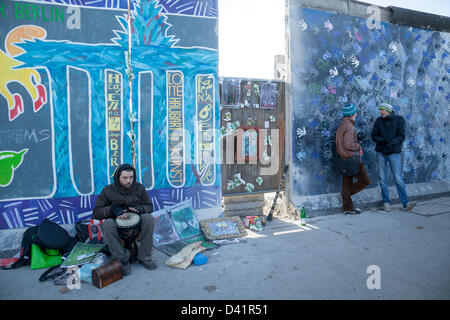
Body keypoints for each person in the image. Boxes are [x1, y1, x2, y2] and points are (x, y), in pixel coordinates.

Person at [93, 163, 157, 275]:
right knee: (107, 224)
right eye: (125, 178)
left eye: (131, 177)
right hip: (117, 226)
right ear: (118, 177)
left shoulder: (139, 188)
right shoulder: (108, 190)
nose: (129, 181)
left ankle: (145, 257)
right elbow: (96, 212)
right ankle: (122, 259)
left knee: (148, 218)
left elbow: (149, 206)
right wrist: (111, 209)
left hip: (136, 224)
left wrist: (141, 209)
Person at [371, 102, 417, 212]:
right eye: (380, 109)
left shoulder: (399, 120)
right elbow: (374, 135)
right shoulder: (378, 121)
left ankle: (405, 203)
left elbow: (401, 135)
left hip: (394, 153)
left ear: (388, 110)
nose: (380, 111)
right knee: (382, 178)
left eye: (382, 109)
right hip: (381, 152)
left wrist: (391, 143)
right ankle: (386, 202)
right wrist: (383, 141)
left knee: (398, 178)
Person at [336, 104, 370, 214]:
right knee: (365, 180)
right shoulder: (349, 127)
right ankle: (345, 194)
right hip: (352, 157)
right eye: (355, 113)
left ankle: (348, 209)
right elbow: (348, 144)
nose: (356, 115)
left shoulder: (342, 125)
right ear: (351, 114)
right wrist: (358, 146)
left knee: (347, 182)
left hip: (344, 157)